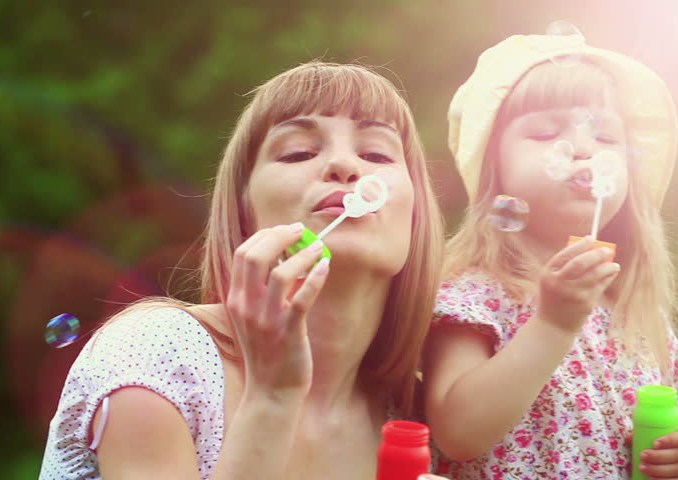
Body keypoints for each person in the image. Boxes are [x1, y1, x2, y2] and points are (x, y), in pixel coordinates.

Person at [39, 60, 445, 479]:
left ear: (416, 215)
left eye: (376, 153)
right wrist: (272, 399)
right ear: (243, 212)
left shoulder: (418, 420)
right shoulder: (161, 357)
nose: (344, 166)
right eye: (299, 152)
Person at [423, 33, 678, 479]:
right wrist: (553, 325)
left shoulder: (637, 317)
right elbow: (457, 434)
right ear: (494, 172)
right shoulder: (473, 294)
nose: (582, 149)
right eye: (544, 132)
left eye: (605, 136)